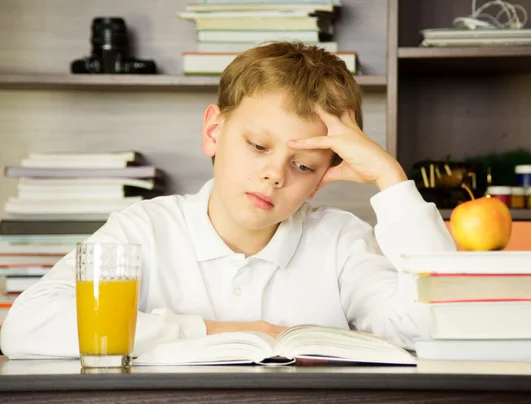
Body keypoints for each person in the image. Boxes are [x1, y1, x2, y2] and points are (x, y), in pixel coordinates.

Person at [0, 42, 455, 359]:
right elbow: (28, 326)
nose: (274, 175)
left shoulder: (342, 242)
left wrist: (392, 181)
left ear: (323, 176)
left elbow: (436, 325)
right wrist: (212, 332)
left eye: (303, 166)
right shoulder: (144, 229)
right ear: (214, 131)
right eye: (258, 146)